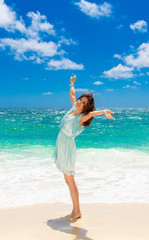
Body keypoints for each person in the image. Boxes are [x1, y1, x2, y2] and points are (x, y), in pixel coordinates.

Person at [52, 75, 115, 220]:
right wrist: (72, 84)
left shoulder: (81, 117)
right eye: (80, 100)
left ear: (86, 107)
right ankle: (75, 210)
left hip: (67, 148)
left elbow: (92, 113)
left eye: (83, 102)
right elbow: (72, 95)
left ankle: (77, 211)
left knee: (71, 180)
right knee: (67, 180)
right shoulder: (73, 109)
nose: (80, 102)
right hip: (61, 144)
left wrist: (103, 111)